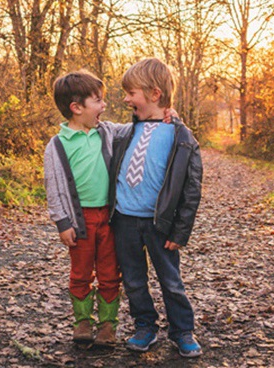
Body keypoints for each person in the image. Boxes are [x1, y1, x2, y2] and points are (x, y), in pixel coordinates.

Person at [110, 58, 204, 358]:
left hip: (158, 222)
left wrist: (181, 231)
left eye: (131, 93)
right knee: (134, 279)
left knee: (170, 280)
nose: (126, 99)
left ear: (154, 94)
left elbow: (191, 190)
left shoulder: (181, 136)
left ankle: (182, 330)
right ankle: (145, 326)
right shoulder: (126, 132)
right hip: (124, 219)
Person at [43, 70, 123, 347]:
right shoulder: (57, 145)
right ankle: (83, 322)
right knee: (80, 273)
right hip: (80, 221)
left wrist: (165, 115)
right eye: (98, 101)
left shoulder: (108, 132)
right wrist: (62, 222)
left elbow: (138, 127)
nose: (104, 106)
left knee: (110, 273)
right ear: (76, 108)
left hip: (109, 218)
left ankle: (108, 325)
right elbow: (53, 187)